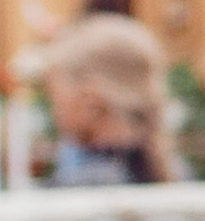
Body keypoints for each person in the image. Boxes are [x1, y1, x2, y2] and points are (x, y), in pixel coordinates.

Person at [32, 11, 178, 187]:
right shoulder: (176, 174)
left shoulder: (78, 188)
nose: (54, 111)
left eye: (55, 98)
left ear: (90, 99)